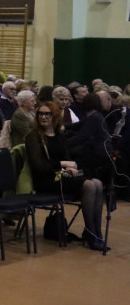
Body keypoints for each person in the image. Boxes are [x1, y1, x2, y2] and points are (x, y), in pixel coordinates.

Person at [25, 101, 107, 250]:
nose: (43, 117)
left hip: (59, 175)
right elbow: (39, 166)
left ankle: (96, 232)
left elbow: (67, 158)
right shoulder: (33, 136)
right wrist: (63, 164)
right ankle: (91, 234)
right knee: (89, 185)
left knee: (97, 183)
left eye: (47, 114)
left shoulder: (59, 135)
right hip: (45, 179)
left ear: (55, 116)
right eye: (40, 114)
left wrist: (69, 168)